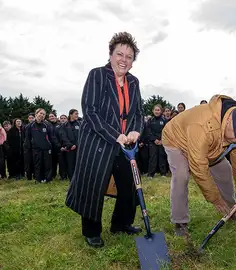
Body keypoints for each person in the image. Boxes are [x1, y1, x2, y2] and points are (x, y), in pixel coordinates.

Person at [65, 32, 144, 248]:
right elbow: (90, 112)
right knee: (93, 185)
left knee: (129, 185)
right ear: (110, 55)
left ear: (133, 61)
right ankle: (91, 231)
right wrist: (114, 134)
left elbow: (138, 112)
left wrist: (136, 130)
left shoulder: (134, 82)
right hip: (98, 142)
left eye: (129, 57)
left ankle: (121, 223)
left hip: (124, 145)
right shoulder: (97, 75)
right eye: (119, 54)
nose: (124, 60)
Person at [161, 95, 236, 236]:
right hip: (176, 140)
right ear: (230, 120)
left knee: (225, 170)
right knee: (181, 176)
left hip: (209, 144)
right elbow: (199, 166)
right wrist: (215, 198)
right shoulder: (203, 126)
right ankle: (180, 222)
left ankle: (232, 210)